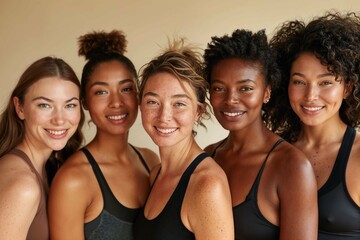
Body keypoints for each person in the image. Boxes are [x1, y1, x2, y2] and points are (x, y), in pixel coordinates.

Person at [203, 29, 318, 240]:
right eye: (219, 88)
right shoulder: (208, 157)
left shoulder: (291, 166)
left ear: (266, 92)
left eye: (245, 88)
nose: (231, 100)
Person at [48, 30, 159, 240]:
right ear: (85, 102)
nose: (116, 102)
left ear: (139, 94)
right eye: (101, 92)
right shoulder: (73, 179)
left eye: (126, 89)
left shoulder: (151, 161)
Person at [269, 11, 360, 239]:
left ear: (347, 87)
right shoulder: (273, 151)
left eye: (326, 82)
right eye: (299, 81)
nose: (311, 96)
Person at [133, 39, 234, 240]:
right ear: (140, 105)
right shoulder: (155, 174)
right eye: (153, 101)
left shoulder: (207, 185)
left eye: (179, 103)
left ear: (199, 111)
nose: (164, 116)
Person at [0, 56, 84, 240]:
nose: (60, 119)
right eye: (45, 105)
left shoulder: (50, 167)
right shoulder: (23, 186)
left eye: (70, 105)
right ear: (19, 108)